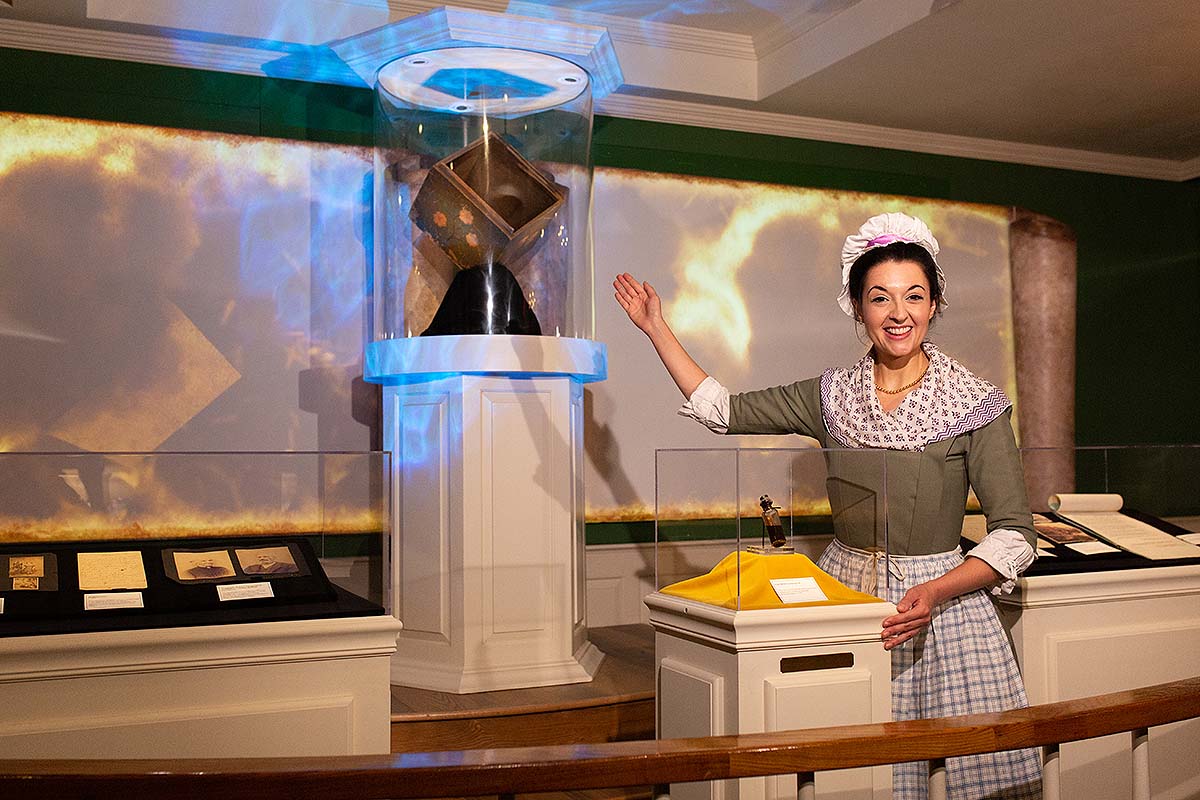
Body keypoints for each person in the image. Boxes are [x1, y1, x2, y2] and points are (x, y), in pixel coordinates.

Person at [614, 212, 1042, 800]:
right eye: (880, 298)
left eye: (914, 296)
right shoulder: (831, 395)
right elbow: (722, 411)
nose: (899, 313)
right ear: (857, 307)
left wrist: (937, 590)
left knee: (958, 780)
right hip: (846, 601)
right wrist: (655, 328)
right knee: (851, 776)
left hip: (943, 610)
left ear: (935, 302)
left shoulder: (977, 404)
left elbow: (1015, 533)